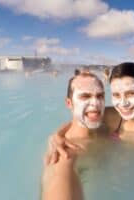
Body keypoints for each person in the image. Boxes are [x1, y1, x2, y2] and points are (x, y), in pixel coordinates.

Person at [42, 71, 105, 200]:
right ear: (69, 103)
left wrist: (58, 133)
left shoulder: (105, 127)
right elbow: (60, 176)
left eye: (100, 96)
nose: (95, 103)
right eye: (85, 96)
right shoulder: (66, 152)